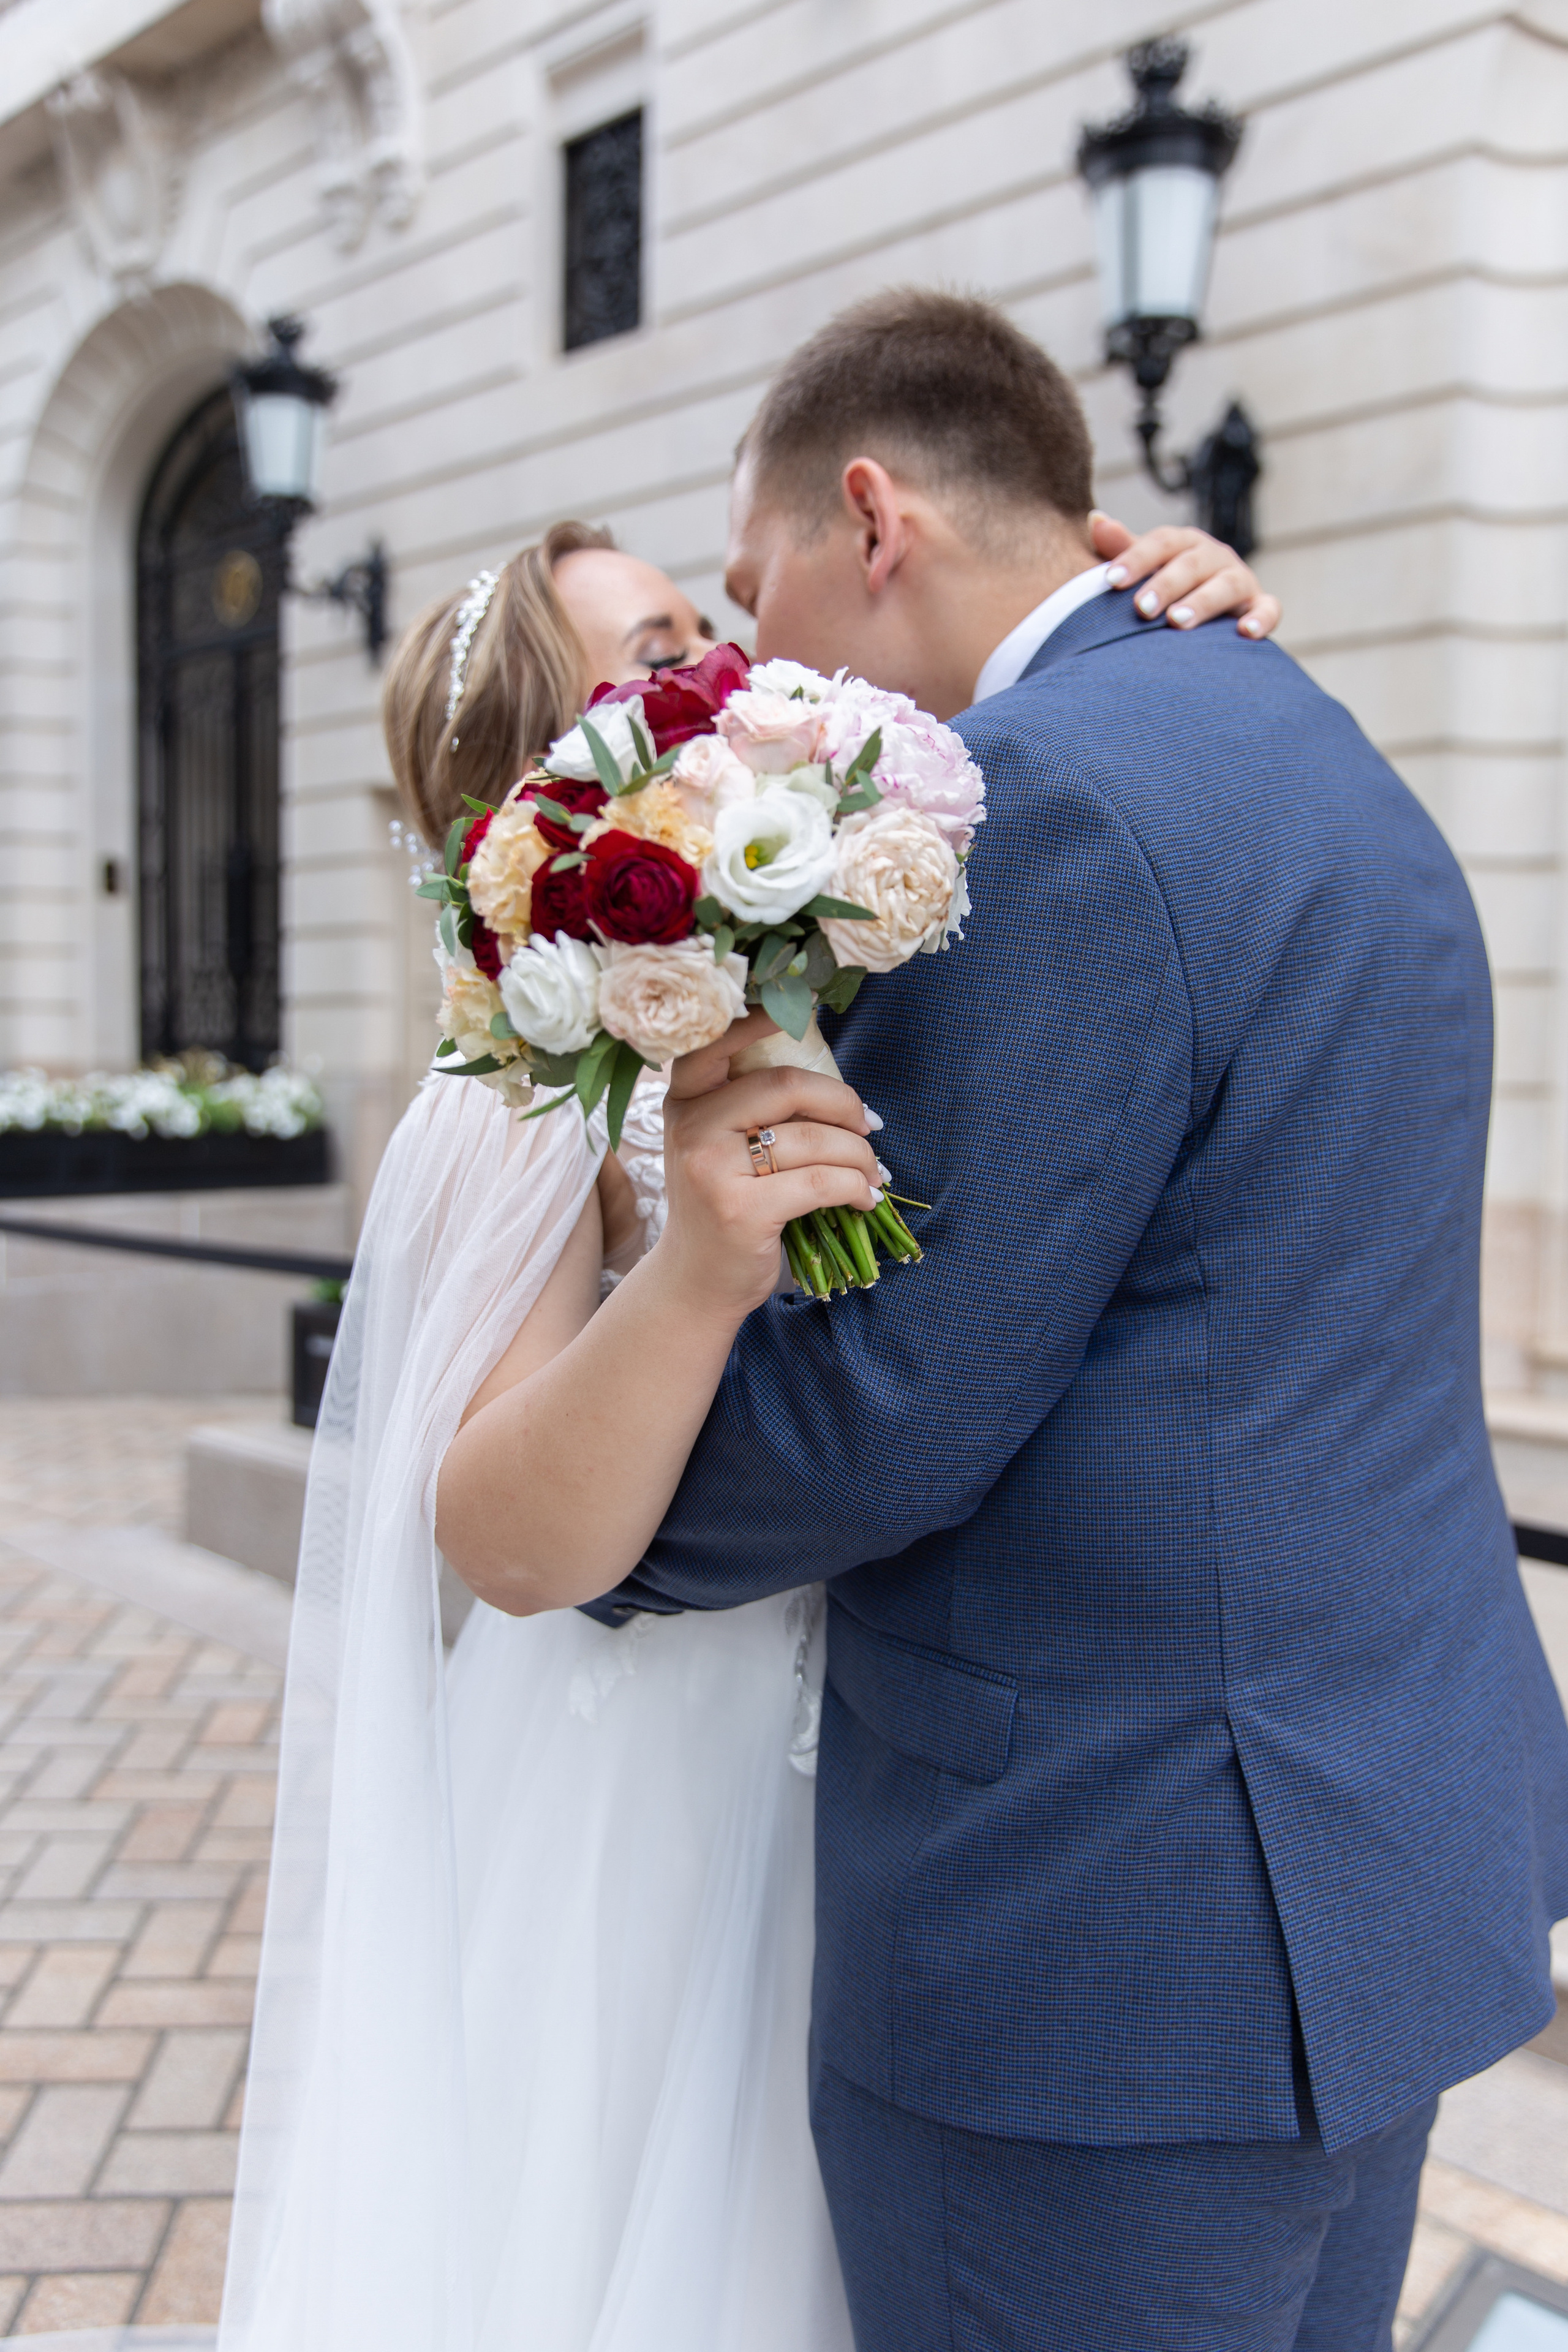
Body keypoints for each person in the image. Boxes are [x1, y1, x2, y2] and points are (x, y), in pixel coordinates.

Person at [440, 292, 1568, 2352]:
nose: (743, 677)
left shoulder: (1045, 800)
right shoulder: (1281, 715)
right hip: (1364, 1867)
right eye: (676, 656)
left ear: (874, 519)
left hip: (1113, 1938)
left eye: (749, 598)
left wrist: (589, 1542)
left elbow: (889, 1406)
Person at [216, 491, 1282, 2352]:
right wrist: (698, 1273)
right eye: (649, 663)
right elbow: (509, 1539)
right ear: (547, 786)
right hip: (673, 1790)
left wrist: (1168, 634)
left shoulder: (823, 949)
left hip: (904, 1774)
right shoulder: (515, 1094)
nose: (714, 669)